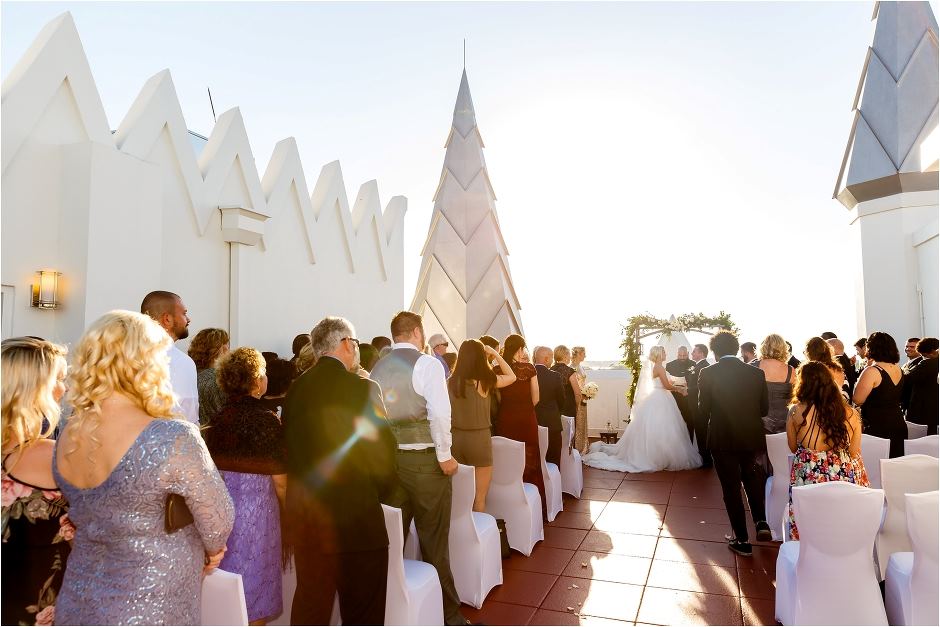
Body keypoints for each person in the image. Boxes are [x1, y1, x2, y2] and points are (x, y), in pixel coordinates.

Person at [53, 310, 234, 625]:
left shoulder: (69, 431)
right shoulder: (172, 435)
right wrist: (213, 549)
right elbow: (218, 519)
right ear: (149, 362)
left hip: (78, 598)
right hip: (150, 603)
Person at [283, 317, 397, 626]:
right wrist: (377, 492)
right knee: (363, 614)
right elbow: (385, 457)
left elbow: (289, 451)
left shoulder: (296, 390)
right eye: (356, 343)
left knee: (311, 611)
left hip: (309, 522)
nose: (357, 349)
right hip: (357, 523)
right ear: (346, 344)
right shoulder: (364, 388)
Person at [370, 312, 468, 626]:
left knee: (392, 541)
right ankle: (449, 617)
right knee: (434, 541)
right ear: (416, 332)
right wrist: (445, 455)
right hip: (426, 463)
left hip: (391, 464)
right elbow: (439, 414)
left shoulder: (377, 367)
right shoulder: (428, 364)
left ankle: (391, 612)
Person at [204, 347, 286, 625]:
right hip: (258, 516)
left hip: (222, 513)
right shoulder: (267, 420)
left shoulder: (217, 420)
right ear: (256, 381)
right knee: (256, 592)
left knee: (228, 590)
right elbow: (281, 480)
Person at [1, 338, 71, 626]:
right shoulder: (54, 457)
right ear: (37, 389)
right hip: (39, 609)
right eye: (60, 379)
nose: (65, 389)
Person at [698, 331, 770, 557]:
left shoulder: (708, 373)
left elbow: (703, 410)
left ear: (714, 351)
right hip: (751, 436)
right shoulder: (756, 373)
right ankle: (761, 521)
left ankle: (742, 539)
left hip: (722, 437)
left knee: (731, 488)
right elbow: (764, 409)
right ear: (736, 348)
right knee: (752, 478)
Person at [583, 346, 701, 474]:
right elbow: (666, 385)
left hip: (659, 397)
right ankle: (659, 457)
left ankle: (659, 456)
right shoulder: (659, 367)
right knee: (663, 426)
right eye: (664, 352)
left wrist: (678, 384)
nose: (666, 353)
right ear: (659, 354)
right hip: (660, 398)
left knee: (659, 427)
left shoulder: (657, 367)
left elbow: (666, 382)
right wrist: (680, 389)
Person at [786, 362, 869, 540]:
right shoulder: (851, 413)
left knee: (809, 520)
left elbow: (792, 447)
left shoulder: (795, 411)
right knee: (841, 518)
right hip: (842, 475)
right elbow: (854, 452)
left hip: (808, 472)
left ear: (803, 383)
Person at [448, 339, 516, 511]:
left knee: (459, 496)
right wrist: (495, 354)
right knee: (479, 498)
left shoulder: (451, 382)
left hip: (456, 439)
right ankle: (478, 527)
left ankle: (461, 528)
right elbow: (512, 377)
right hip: (479, 440)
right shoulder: (485, 381)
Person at [492, 334, 547, 516]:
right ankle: (533, 508)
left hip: (505, 418)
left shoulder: (497, 369)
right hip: (526, 418)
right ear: (520, 349)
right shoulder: (529, 368)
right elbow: (536, 398)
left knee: (506, 460)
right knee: (530, 459)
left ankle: (507, 506)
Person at [141, 290, 200, 425]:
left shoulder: (125, 355)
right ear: (167, 319)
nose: (188, 319)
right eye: (184, 313)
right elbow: (188, 419)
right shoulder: (182, 362)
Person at [854, 332, 906, 458]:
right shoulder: (898, 368)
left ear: (871, 348)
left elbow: (857, 399)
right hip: (898, 421)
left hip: (877, 424)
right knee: (896, 462)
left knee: (877, 464)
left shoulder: (872, 371)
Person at [188, 327, 230, 426]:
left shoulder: (190, 374)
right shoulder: (218, 379)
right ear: (222, 349)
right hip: (215, 433)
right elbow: (226, 416)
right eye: (227, 346)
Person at [533, 346, 566, 468]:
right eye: (551, 358)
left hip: (533, 422)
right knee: (554, 458)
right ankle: (554, 479)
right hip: (552, 423)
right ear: (546, 359)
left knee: (535, 458)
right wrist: (556, 412)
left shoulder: (528, 375)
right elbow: (562, 400)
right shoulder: (555, 376)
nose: (552, 361)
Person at [758, 334, 794, 434]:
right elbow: (794, 397)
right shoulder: (791, 370)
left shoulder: (753, 366)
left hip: (759, 421)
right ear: (783, 348)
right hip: (784, 423)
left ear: (764, 347)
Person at [902, 337, 939, 435]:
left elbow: (908, 379)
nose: (923, 357)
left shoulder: (927, 364)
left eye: (924, 355)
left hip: (924, 409)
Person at [666, 346, 696, 437]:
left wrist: (688, 385)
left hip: (688, 397)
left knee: (689, 420)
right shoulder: (670, 365)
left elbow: (696, 381)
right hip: (674, 397)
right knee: (675, 420)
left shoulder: (694, 364)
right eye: (680, 355)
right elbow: (666, 381)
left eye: (684, 355)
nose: (682, 357)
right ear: (677, 354)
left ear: (688, 354)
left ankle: (689, 440)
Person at [690, 343, 712, 466]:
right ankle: (704, 458)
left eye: (694, 351)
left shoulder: (704, 367)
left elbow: (700, 387)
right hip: (697, 404)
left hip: (699, 405)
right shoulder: (699, 365)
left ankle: (706, 460)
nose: (692, 353)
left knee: (702, 432)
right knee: (700, 432)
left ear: (701, 353)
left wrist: (686, 389)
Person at [550, 345, 581, 421]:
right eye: (569, 354)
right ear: (565, 356)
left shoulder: (550, 370)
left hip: (554, 409)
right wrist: (577, 407)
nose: (570, 357)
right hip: (568, 409)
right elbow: (577, 394)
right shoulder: (570, 371)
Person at [571, 346, 589, 453]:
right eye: (583, 354)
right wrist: (580, 395)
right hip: (577, 398)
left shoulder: (581, 367)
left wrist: (588, 392)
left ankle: (583, 446)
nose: (585, 356)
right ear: (577, 354)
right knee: (577, 422)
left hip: (584, 398)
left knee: (582, 422)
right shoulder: (572, 368)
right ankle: (577, 448)